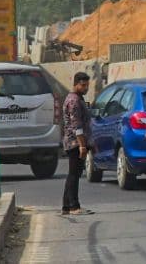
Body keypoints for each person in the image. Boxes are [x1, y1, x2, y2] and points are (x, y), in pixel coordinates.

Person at [61, 72, 93, 216]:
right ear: (75, 84)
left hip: (77, 141)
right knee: (74, 174)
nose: (85, 88)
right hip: (74, 142)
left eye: (87, 85)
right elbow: (77, 126)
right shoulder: (74, 100)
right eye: (83, 85)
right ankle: (73, 206)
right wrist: (82, 145)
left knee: (74, 174)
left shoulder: (78, 98)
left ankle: (67, 206)